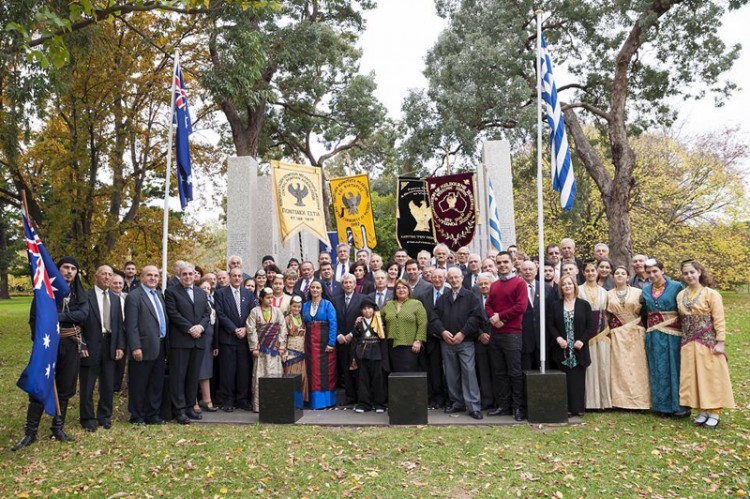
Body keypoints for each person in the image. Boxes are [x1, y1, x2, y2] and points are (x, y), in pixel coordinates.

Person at [14, 255, 91, 451]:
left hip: (71, 346)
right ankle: (30, 433)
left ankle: (58, 428)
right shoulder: (45, 293)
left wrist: (56, 316)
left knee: (65, 388)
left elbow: (83, 315)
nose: (69, 272)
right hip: (48, 346)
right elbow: (35, 319)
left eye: (73, 269)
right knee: (40, 387)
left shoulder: (79, 294)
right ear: (58, 270)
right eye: (66, 268)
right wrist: (40, 341)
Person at [676, 260, 735, 429]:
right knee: (692, 376)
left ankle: (714, 412)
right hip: (688, 342)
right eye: (686, 273)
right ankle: (701, 410)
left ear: (699, 273)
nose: (689, 276)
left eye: (692, 272)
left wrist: (720, 342)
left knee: (710, 376)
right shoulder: (681, 295)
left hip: (707, 341)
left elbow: (719, 319)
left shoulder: (711, 294)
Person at [433, 268, 484, 419]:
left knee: (469, 372)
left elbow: (476, 318)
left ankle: (473, 406)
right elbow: (434, 317)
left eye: (457, 277)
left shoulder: (471, 296)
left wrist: (463, 333)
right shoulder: (442, 298)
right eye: (451, 278)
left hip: (465, 341)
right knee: (451, 373)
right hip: (447, 342)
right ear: (447, 280)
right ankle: (457, 403)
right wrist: (442, 331)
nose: (454, 280)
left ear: (462, 278)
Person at [79, 265, 125, 432]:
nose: (107, 277)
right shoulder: (85, 296)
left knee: (107, 384)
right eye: (104, 274)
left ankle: (104, 416)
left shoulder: (114, 298)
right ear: (96, 277)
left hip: (110, 345)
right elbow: (79, 324)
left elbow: (119, 324)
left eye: (110, 274)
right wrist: (82, 343)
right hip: (90, 345)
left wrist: (120, 345)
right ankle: (87, 418)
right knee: (88, 385)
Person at [641, 258, 689, 418]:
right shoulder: (646, 290)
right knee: (657, 368)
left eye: (655, 271)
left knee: (673, 367)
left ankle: (679, 406)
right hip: (654, 334)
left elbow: (684, 309)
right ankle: (661, 406)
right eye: (649, 272)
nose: (652, 274)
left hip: (673, 334)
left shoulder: (676, 287)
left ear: (662, 270)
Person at [164, 263, 210, 424]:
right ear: (179, 275)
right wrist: (190, 328)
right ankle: (179, 410)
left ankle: (190, 406)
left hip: (198, 341)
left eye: (191, 274)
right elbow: (173, 314)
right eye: (185, 274)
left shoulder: (200, 292)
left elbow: (207, 313)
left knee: (193, 377)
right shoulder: (170, 292)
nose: (188, 276)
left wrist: (200, 327)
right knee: (178, 377)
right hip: (181, 341)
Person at [485, 251, 528, 420]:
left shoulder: (519, 284)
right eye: (499, 262)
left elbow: (521, 307)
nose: (502, 265)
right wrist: (493, 318)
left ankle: (518, 407)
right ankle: (503, 405)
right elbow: (488, 305)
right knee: (499, 372)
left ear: (511, 264)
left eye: (505, 262)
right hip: (496, 333)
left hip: (512, 334)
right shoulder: (494, 285)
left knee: (515, 372)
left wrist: (500, 317)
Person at [124, 265, 168, 426]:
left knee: (156, 382)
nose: (153, 278)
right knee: (139, 383)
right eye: (149, 275)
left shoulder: (158, 295)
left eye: (156, 276)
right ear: (141, 277)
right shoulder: (134, 296)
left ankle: (152, 414)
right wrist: (135, 346)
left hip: (160, 345)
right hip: (142, 346)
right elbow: (131, 325)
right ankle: (137, 415)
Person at [547, 275, 592, 416]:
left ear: (574, 286)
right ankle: (565, 407)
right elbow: (551, 325)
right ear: (561, 288)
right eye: (564, 284)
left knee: (577, 379)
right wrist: (558, 338)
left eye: (570, 284)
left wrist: (582, 341)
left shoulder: (584, 305)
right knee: (564, 379)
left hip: (578, 348)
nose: (567, 286)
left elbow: (590, 327)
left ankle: (578, 408)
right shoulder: (555, 305)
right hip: (562, 348)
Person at [607, 265, 650, 410]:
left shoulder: (639, 292)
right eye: (617, 273)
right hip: (617, 333)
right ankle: (620, 401)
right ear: (613, 277)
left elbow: (645, 312)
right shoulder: (608, 294)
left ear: (627, 277)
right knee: (619, 366)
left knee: (636, 365)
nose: (619, 275)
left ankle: (639, 400)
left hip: (634, 332)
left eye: (623, 273)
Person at [215, 268, 256, 412]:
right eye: (234, 276)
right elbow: (220, 313)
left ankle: (242, 400)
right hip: (228, 338)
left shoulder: (248, 294)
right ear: (229, 277)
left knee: (243, 371)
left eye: (239, 276)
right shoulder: (220, 293)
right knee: (228, 371)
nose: (237, 278)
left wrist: (245, 328)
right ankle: (228, 400)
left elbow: (252, 314)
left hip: (244, 339)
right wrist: (234, 329)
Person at [247, 287, 288, 412]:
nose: (271, 300)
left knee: (276, 374)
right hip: (261, 349)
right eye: (268, 297)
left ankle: (276, 403)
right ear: (261, 298)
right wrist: (254, 347)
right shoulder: (255, 311)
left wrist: (281, 345)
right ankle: (259, 405)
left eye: (272, 298)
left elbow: (283, 328)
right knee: (260, 374)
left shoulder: (277, 311)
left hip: (274, 350)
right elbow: (251, 329)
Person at [578, 259, 611, 410]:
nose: (590, 273)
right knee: (588, 367)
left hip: (602, 332)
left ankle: (602, 402)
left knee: (603, 365)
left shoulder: (605, 292)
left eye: (593, 270)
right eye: (587, 271)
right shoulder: (578, 290)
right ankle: (589, 401)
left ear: (597, 272)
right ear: (583, 273)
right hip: (585, 333)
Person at [416, 268, 450, 408]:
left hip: (450, 337)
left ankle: (451, 398)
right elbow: (423, 318)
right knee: (434, 370)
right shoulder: (424, 296)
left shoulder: (450, 293)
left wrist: (445, 332)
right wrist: (434, 332)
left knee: (450, 370)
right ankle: (437, 398)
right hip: (432, 338)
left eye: (440, 277)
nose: (437, 280)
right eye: (434, 277)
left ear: (445, 278)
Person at [302, 280, 338, 408]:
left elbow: (333, 324)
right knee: (312, 372)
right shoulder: (305, 306)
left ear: (322, 290)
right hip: (309, 345)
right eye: (313, 287)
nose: (315, 290)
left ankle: (326, 401)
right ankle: (313, 401)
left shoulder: (328, 305)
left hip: (325, 345)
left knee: (326, 372)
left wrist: (331, 343)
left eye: (318, 287)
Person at [381, 279, 427, 372]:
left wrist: (418, 341)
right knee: (395, 374)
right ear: (394, 291)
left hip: (410, 346)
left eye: (404, 287)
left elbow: (423, 323)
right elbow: (377, 319)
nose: (401, 290)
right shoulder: (388, 304)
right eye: (398, 288)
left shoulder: (416, 304)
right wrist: (363, 319)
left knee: (408, 375)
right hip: (392, 346)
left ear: (409, 290)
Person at [351, 300, 389, 413]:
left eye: (369, 308)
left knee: (378, 379)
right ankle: (364, 404)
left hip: (376, 352)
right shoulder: (359, 322)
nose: (367, 311)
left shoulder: (379, 321)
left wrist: (384, 357)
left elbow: (383, 339)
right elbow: (355, 338)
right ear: (361, 311)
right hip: (362, 354)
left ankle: (379, 404)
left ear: (374, 309)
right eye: (364, 308)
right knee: (363, 380)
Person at [332, 273, 364, 406]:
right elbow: (333, 320)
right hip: (341, 341)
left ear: (355, 284)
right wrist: (338, 335)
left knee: (358, 370)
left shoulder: (362, 299)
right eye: (345, 283)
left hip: (356, 340)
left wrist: (352, 334)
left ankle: (361, 397)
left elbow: (364, 319)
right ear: (342, 285)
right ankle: (350, 397)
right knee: (345, 369)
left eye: (350, 282)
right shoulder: (335, 300)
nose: (348, 285)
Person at [195, 278, 219, 413]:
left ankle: (207, 399)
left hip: (209, 342)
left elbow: (215, 325)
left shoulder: (211, 304)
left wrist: (215, 344)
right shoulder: (196, 303)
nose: (206, 290)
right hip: (199, 339)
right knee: (195, 371)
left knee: (206, 371)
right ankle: (194, 401)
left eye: (208, 288)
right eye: (203, 288)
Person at [473, 273, 496, 410]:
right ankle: (487, 402)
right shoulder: (474, 299)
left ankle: (499, 402)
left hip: (497, 340)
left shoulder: (499, 298)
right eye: (480, 284)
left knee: (497, 371)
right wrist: (481, 334)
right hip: (480, 341)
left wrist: (491, 335)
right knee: (483, 372)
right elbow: (470, 318)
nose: (483, 286)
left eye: (486, 283)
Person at [283, 296, 308, 403]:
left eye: (299, 307)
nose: (296, 309)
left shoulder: (303, 318)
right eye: (294, 306)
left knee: (302, 376)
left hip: (301, 351)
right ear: (290, 306)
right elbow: (282, 335)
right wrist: (283, 351)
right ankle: (289, 400)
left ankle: (300, 401)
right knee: (290, 375)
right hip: (291, 351)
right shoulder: (287, 319)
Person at [519, 260, 542, 371]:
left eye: (530, 269)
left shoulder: (546, 289)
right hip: (524, 339)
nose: (528, 272)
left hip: (542, 340)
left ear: (536, 271)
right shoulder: (516, 289)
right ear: (520, 272)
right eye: (525, 269)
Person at [110, 273, 128, 393]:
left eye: (120, 283)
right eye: (115, 283)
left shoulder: (127, 297)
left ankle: (117, 386)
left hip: (125, 331)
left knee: (122, 360)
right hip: (111, 331)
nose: (118, 285)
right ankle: (108, 385)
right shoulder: (107, 297)